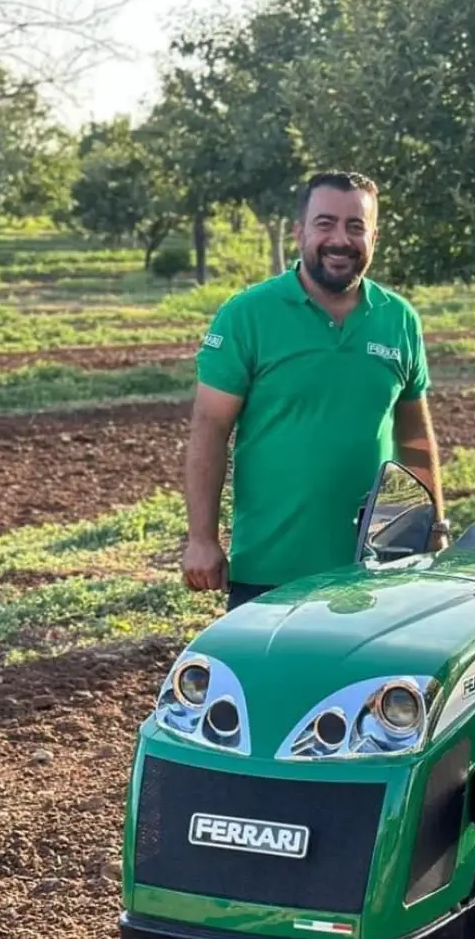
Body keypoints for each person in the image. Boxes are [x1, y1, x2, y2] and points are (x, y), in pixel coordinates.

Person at [181, 170, 448, 610]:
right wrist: (201, 540)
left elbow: (416, 436)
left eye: (355, 226)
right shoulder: (247, 315)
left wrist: (435, 524)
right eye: (325, 224)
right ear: (299, 231)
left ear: (374, 237)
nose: (340, 239)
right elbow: (209, 429)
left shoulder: (399, 319)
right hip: (269, 574)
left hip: (376, 572)